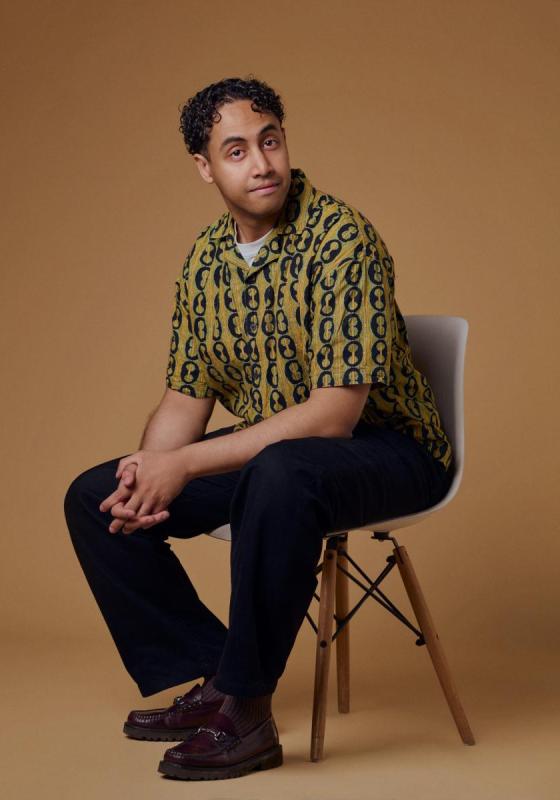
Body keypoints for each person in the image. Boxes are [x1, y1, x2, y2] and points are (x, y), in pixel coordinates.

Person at [64, 75, 454, 781]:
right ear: (205, 167)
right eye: (237, 150)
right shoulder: (205, 261)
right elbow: (185, 399)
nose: (263, 163)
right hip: (285, 452)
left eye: (269, 141)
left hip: (389, 449)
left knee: (282, 472)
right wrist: (150, 475)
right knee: (97, 496)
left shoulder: (342, 238)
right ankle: (217, 678)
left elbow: (335, 415)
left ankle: (247, 712)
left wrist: (186, 467)